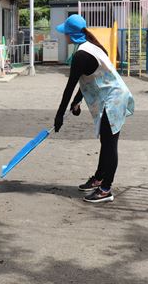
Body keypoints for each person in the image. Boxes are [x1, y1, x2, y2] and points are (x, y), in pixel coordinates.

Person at [54, 14, 135, 203]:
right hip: (112, 97)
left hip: (113, 100)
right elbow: (89, 79)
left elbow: (70, 86)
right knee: (106, 142)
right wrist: (77, 102)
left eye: (65, 32)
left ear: (70, 34)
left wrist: (59, 115)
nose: (64, 35)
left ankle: (106, 189)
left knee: (109, 144)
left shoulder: (81, 55)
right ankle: (99, 178)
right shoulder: (91, 46)